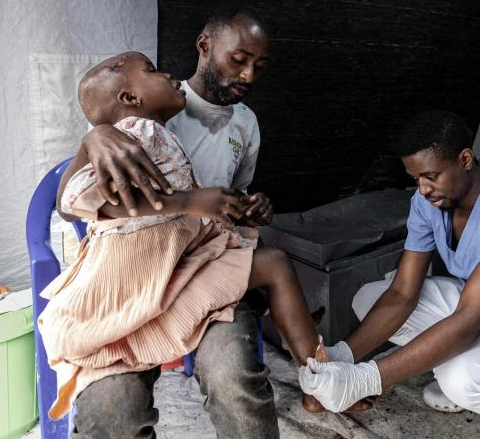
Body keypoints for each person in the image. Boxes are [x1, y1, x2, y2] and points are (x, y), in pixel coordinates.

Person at [41, 52, 327, 430]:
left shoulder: (207, 127)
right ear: (130, 97)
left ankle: (321, 375)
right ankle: (319, 377)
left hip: (184, 266)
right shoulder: (136, 133)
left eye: (259, 66)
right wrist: (187, 200)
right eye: (153, 71)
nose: (169, 75)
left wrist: (238, 208)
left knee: (272, 266)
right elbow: (74, 199)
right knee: (114, 413)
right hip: (140, 279)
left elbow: (191, 213)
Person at [299, 110, 480, 439]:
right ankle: (458, 368)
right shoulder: (429, 202)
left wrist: (366, 380)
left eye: (431, 176)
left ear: (465, 159)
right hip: (476, 303)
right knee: (369, 298)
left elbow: (469, 322)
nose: (423, 189)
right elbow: (402, 293)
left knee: (461, 379)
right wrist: (343, 356)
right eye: (415, 179)